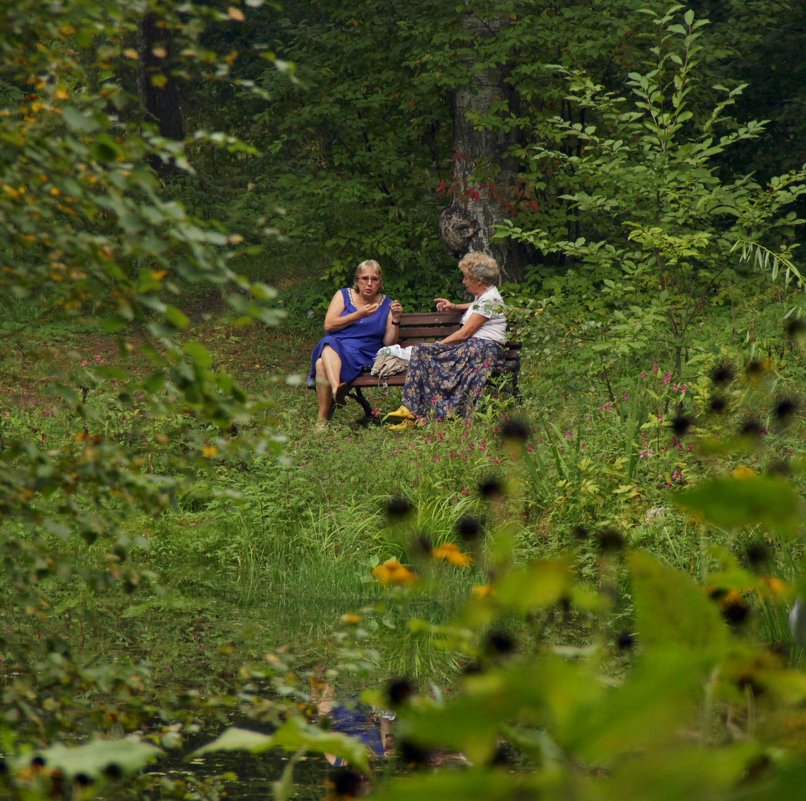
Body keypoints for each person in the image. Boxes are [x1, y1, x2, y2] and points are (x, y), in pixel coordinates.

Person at [384, 252, 506, 429]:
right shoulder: (484, 295)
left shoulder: (491, 299)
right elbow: (476, 307)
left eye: (466, 278)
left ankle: (416, 413)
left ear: (478, 280)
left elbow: (464, 334)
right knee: (420, 351)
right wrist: (454, 306)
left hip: (482, 351)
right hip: (473, 348)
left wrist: (439, 345)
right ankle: (408, 410)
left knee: (424, 352)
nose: (463, 281)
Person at [308, 260, 403, 427]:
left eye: (374, 279)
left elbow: (389, 342)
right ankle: (337, 390)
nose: (369, 283)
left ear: (380, 283)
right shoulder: (343, 295)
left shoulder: (387, 303)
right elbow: (329, 325)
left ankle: (322, 420)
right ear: (357, 281)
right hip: (338, 346)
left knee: (321, 362)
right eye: (364, 278)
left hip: (366, 353)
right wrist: (358, 315)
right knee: (328, 344)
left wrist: (395, 319)